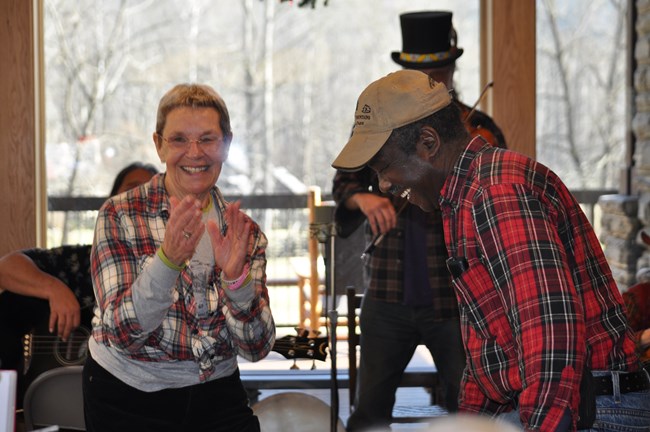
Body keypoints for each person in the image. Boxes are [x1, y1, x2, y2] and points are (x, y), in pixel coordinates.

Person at [331, 69, 650, 431]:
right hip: (570, 405)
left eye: (385, 167)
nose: (384, 184)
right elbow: (488, 352)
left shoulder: (496, 192)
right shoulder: (464, 196)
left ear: (428, 143)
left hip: (593, 411)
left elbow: (550, 337)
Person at [332, 12, 504, 431]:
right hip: (389, 288)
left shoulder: (473, 129)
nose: (429, 80)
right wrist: (364, 197)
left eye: (437, 73)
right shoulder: (384, 128)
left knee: (468, 405)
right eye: (418, 73)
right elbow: (345, 181)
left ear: (450, 71)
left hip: (454, 297)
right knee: (369, 408)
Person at [83, 83, 275, 432]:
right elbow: (124, 335)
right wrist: (167, 261)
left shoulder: (243, 232)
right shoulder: (119, 215)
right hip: (129, 392)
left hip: (216, 390)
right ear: (159, 145)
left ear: (226, 144)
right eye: (179, 140)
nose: (195, 153)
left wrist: (237, 283)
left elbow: (257, 346)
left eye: (207, 139)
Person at [0, 162, 157, 407]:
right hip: (53, 407)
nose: (139, 199)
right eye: (132, 190)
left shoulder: (167, 276)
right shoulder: (81, 261)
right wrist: (54, 289)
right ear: (111, 204)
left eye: (151, 192)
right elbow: (6, 267)